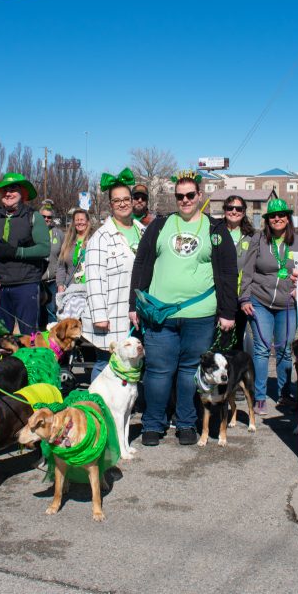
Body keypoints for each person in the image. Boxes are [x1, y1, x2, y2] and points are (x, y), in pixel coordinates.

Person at [129, 170, 237, 447]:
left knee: (191, 371)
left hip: (200, 315)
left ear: (199, 196)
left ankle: (186, 422)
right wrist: (134, 304)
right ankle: (153, 423)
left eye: (190, 195)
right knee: (158, 371)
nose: (185, 200)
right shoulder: (160, 225)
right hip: (160, 314)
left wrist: (228, 312)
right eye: (180, 196)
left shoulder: (215, 229)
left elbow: (227, 272)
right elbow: (141, 264)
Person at [240, 198, 298, 415]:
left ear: (288, 218)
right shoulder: (258, 240)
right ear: (267, 220)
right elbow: (248, 270)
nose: (277, 219)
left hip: (288, 304)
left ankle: (284, 394)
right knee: (261, 349)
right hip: (260, 301)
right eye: (272, 216)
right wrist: (245, 298)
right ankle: (259, 396)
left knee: (285, 350)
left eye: (281, 215)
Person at [84, 168, 145, 380]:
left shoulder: (142, 231)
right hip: (112, 313)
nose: (122, 203)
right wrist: (99, 316)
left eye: (126, 199)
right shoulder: (101, 237)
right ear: (111, 205)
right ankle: (98, 408)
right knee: (107, 364)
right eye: (117, 200)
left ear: (132, 200)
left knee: (132, 362)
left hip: (139, 313)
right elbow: (93, 278)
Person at [0, 173, 50, 335]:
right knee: (0, 337)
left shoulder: (33, 216)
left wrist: (16, 252)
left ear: (23, 193)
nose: (8, 193)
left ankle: (28, 361)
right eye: (4, 190)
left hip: (25, 285)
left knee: (28, 336)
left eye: (13, 189)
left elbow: (44, 248)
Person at [223, 194, 255, 352]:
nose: (234, 211)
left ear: (244, 212)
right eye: (230, 208)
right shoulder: (216, 232)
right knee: (220, 337)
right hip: (219, 296)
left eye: (238, 208)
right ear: (224, 210)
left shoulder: (252, 236)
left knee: (237, 338)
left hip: (241, 296)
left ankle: (235, 374)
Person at [56, 208, 94, 319]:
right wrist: (60, 285)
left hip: (89, 290)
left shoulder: (94, 240)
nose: (79, 222)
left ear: (87, 222)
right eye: (77, 220)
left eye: (82, 219)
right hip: (71, 290)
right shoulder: (68, 241)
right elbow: (61, 266)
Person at [39, 202, 61, 327]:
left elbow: (63, 255)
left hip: (52, 280)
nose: (46, 219)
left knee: (51, 310)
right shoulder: (32, 232)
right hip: (37, 280)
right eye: (43, 216)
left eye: (49, 217)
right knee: (37, 311)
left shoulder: (58, 233)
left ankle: (51, 340)